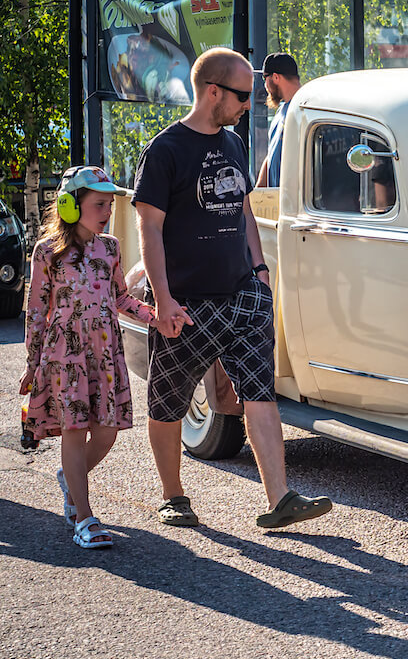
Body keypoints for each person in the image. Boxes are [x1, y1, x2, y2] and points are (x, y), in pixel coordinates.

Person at [134, 46, 332, 529]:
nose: (250, 104)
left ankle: (280, 498)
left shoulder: (233, 144)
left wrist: (261, 273)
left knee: (259, 391)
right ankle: (173, 495)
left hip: (242, 293)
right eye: (243, 95)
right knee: (168, 400)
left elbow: (243, 211)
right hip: (187, 302)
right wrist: (162, 300)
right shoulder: (165, 151)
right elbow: (150, 230)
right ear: (213, 91)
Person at [20, 166, 175, 548]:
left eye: (109, 203)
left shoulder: (109, 248)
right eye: (99, 204)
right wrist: (32, 363)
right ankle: (84, 518)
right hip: (64, 357)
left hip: (105, 354)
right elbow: (36, 310)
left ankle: (70, 479)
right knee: (74, 430)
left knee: (105, 432)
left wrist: (155, 317)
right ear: (71, 206)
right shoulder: (47, 253)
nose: (107, 211)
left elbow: (120, 296)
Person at [254, 52, 301, 188]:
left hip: (295, 203)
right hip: (275, 201)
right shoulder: (281, 110)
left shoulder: (303, 109)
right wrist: (258, 192)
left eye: (265, 79)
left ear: (275, 77)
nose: (265, 86)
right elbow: (272, 155)